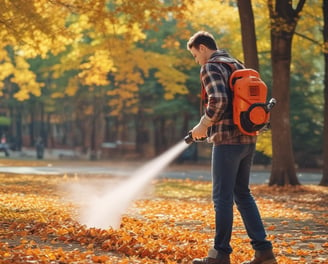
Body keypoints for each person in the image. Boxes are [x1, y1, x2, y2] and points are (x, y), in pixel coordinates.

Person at [187, 31, 277, 264]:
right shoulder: (237, 64)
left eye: (195, 55)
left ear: (203, 48)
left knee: (222, 198)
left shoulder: (211, 66)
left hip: (227, 141)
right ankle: (264, 251)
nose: (197, 60)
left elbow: (219, 101)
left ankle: (220, 253)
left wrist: (202, 125)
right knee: (242, 194)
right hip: (248, 138)